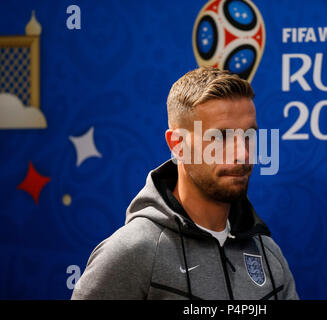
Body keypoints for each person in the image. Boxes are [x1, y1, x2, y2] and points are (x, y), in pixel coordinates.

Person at [71, 67, 299, 300]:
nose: (242, 153)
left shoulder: (268, 254)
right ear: (177, 145)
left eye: (249, 135)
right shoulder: (131, 252)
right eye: (221, 136)